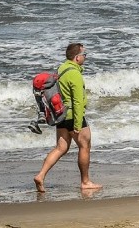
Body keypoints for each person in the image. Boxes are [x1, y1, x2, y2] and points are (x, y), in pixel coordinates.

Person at [34, 43, 101, 193]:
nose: (85, 57)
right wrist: (78, 124)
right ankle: (85, 182)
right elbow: (77, 100)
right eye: (84, 55)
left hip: (61, 114)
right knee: (85, 146)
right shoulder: (74, 74)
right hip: (73, 116)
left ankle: (41, 175)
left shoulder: (61, 68)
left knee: (61, 148)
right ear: (77, 57)